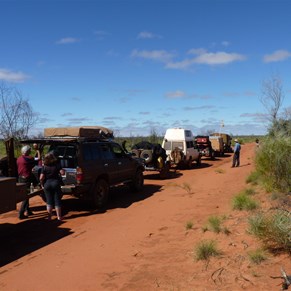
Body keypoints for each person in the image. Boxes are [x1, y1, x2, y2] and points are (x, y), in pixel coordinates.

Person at [39, 152, 65, 221]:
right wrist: (62, 171)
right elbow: (62, 173)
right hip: (55, 183)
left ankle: (49, 217)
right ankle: (59, 217)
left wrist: (42, 185)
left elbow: (41, 178)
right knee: (57, 200)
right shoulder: (57, 165)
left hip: (47, 184)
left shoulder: (44, 167)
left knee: (49, 201)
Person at [17, 145, 38, 219]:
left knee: (25, 194)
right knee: (26, 196)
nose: (30, 152)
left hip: (20, 178)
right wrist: (38, 151)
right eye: (29, 151)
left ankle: (28, 210)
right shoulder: (29, 158)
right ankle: (21, 213)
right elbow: (37, 160)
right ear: (27, 151)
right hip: (27, 179)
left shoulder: (19, 159)